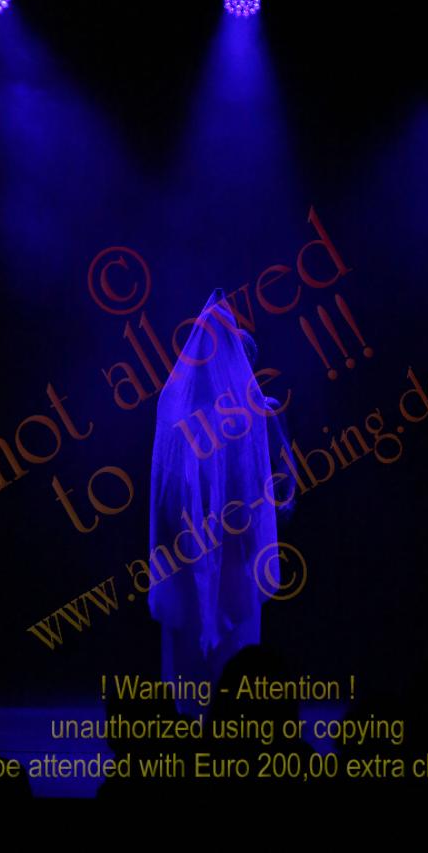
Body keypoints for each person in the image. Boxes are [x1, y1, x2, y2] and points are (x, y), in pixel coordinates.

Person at [147, 289, 296, 715]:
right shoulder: (184, 417)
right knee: (196, 639)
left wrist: (280, 505)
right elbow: (167, 486)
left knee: (231, 640)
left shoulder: (260, 411)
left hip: (233, 546)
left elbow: (283, 465)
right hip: (196, 545)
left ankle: (230, 715)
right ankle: (194, 716)